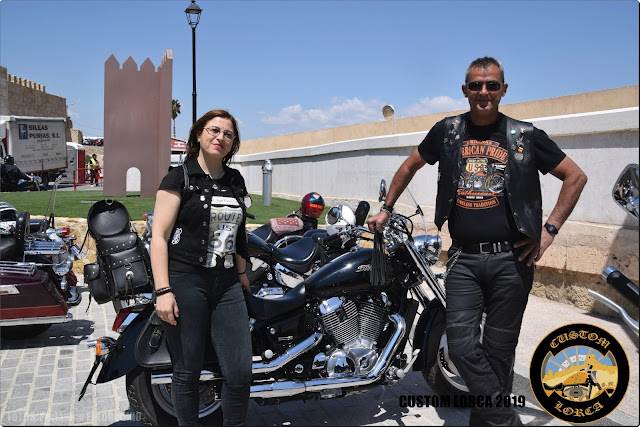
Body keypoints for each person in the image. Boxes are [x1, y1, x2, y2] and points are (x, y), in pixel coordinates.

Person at [367, 57, 587, 426]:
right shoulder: (448, 132)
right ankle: (506, 420)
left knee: (499, 355)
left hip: (512, 262)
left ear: (503, 90)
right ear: (465, 90)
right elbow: (409, 165)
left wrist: (549, 231)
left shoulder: (524, 135)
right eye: (476, 85)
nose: (483, 92)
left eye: (491, 85)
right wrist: (386, 209)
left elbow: (575, 177)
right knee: (462, 346)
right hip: (464, 260)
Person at [150, 109, 252, 426]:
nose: (220, 137)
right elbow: (159, 236)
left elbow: (239, 234)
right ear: (198, 134)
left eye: (228, 134)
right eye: (214, 130)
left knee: (240, 372)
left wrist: (242, 273)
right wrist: (163, 291)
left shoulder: (235, 180)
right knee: (187, 371)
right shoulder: (178, 178)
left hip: (227, 283)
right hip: (185, 280)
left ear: (233, 143)